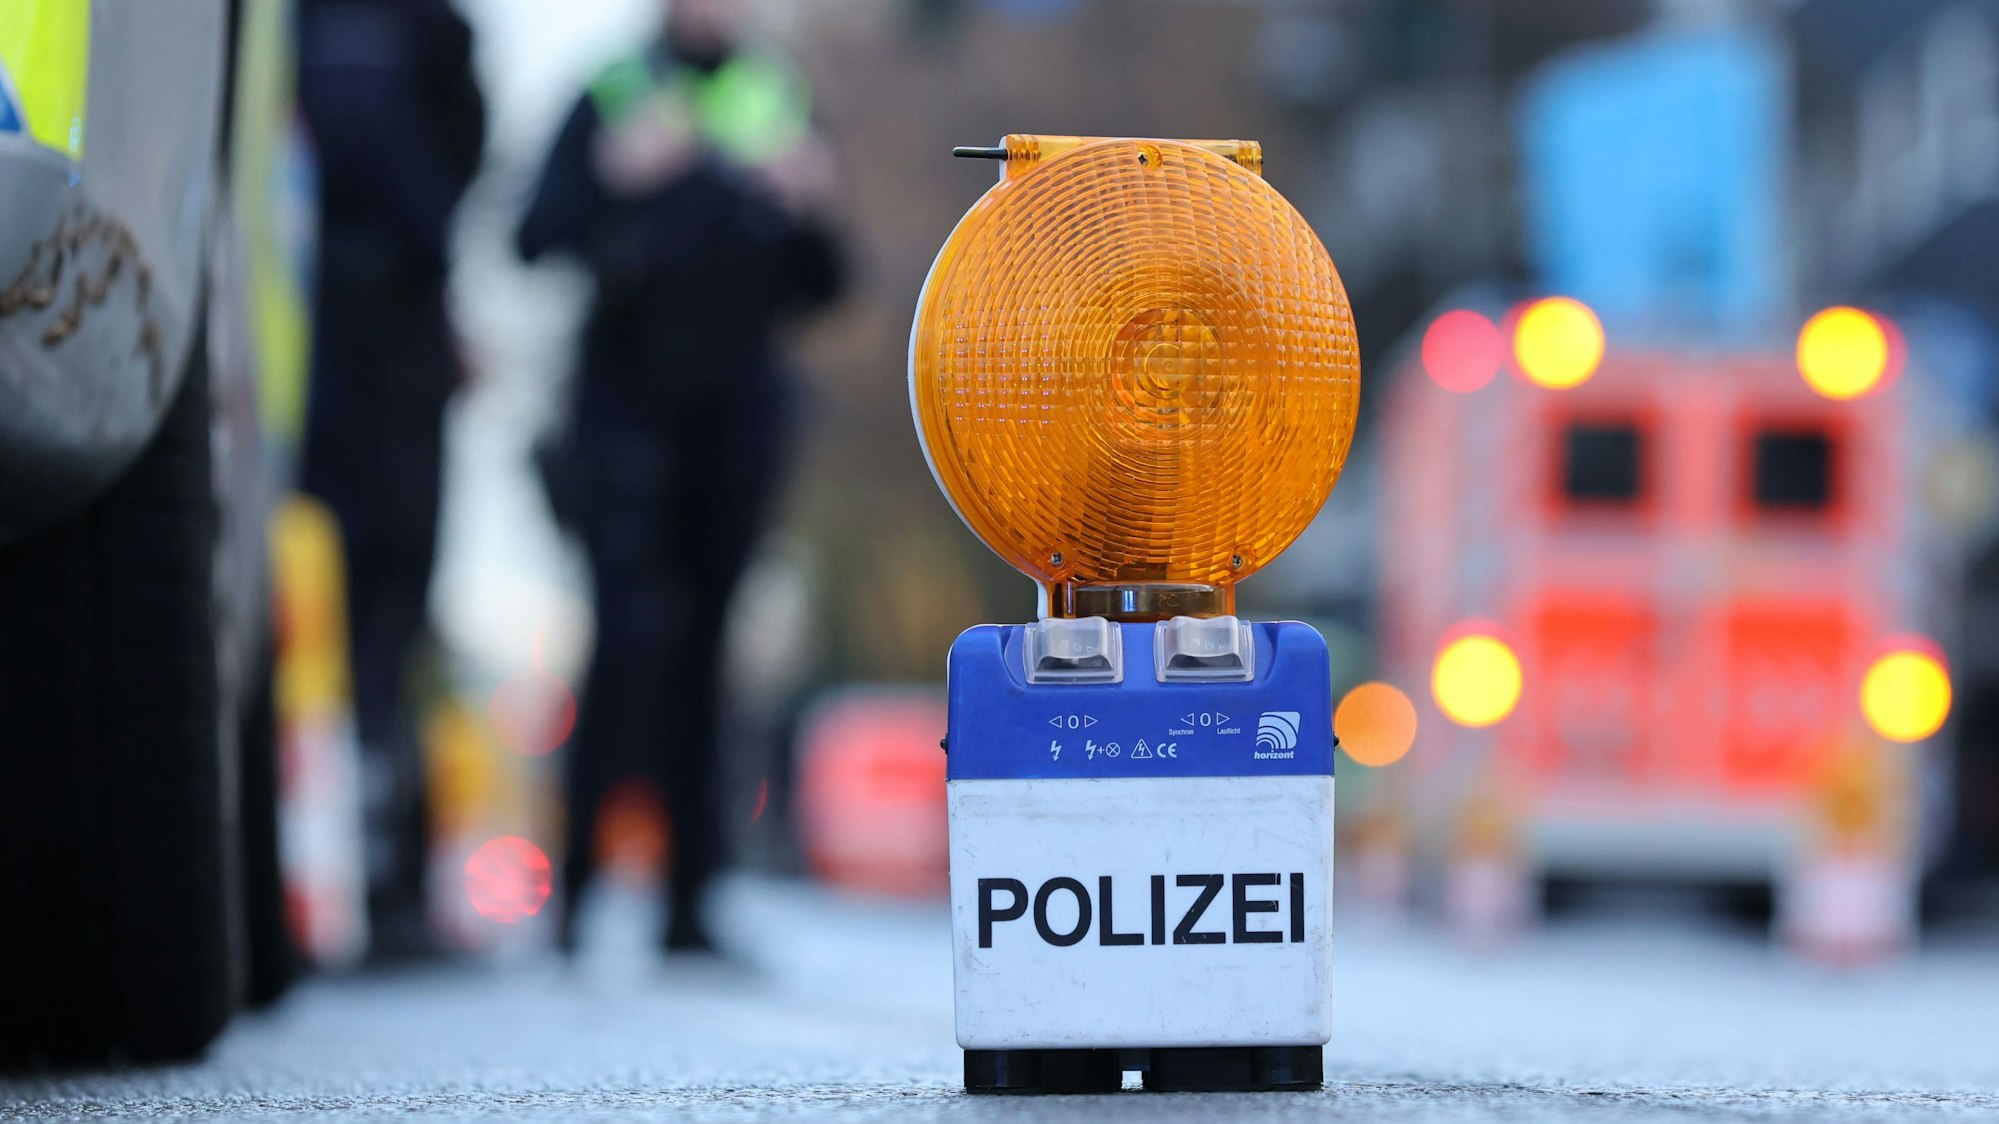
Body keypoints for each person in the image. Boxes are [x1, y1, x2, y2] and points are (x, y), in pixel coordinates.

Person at [516, 0, 845, 955]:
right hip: (624, 415)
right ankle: (575, 893)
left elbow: (827, 281)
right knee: (623, 645)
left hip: (736, 422)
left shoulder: (775, 97)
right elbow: (534, 237)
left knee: (707, 655)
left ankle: (688, 906)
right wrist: (614, 180)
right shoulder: (614, 93)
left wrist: (810, 203)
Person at [296, 0, 485, 960]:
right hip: (366, 350)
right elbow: (441, 176)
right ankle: (378, 884)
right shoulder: (412, 34)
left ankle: (354, 876)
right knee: (377, 624)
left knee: (352, 630)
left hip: (327, 337)